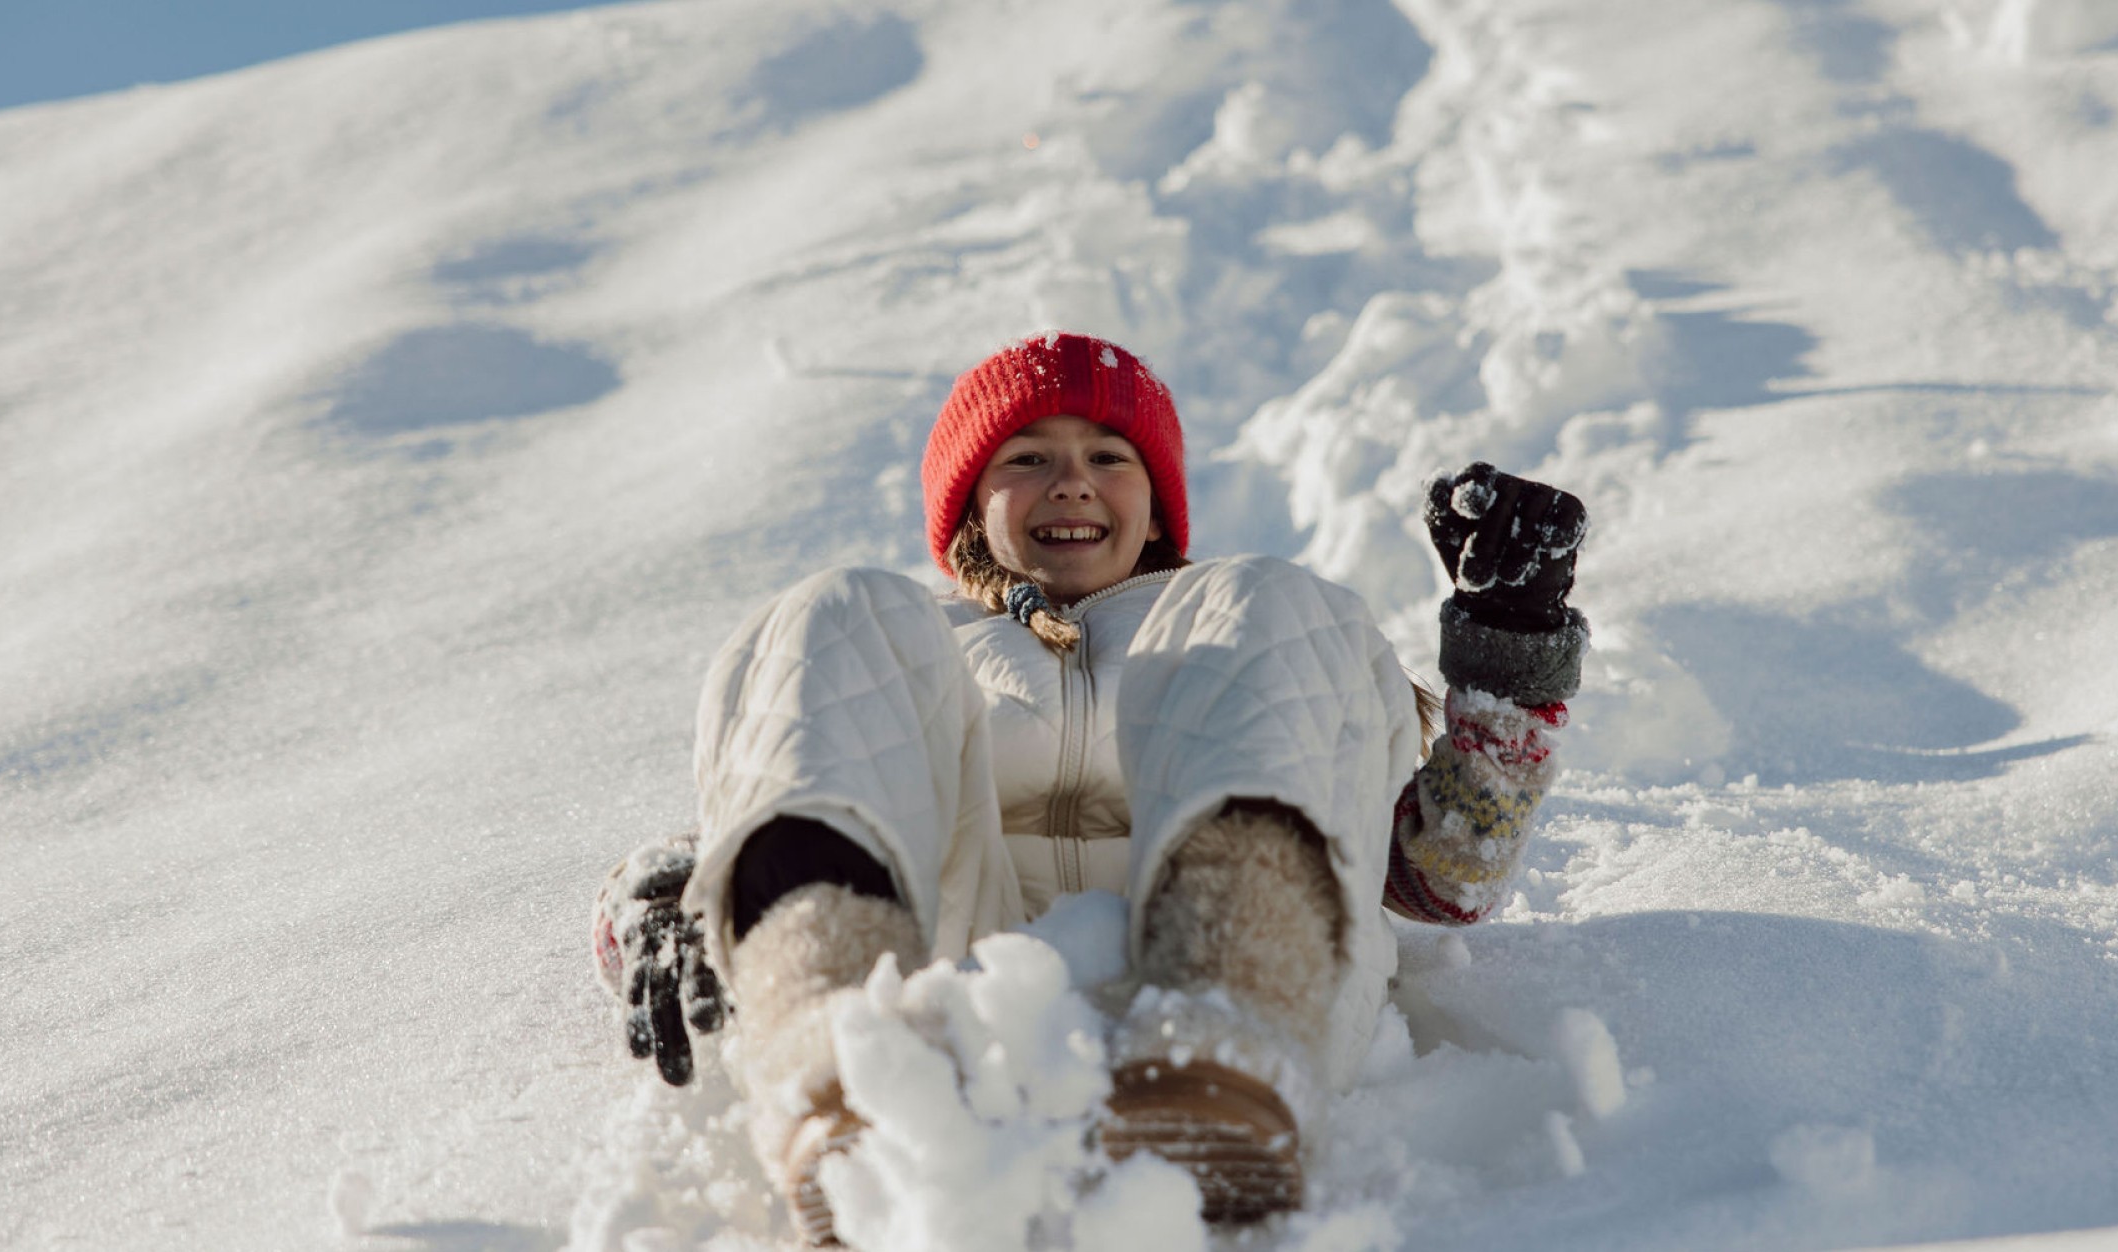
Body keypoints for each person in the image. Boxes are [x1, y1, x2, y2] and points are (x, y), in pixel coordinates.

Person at [592, 332, 1589, 1242]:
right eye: (1027, 458)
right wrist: (671, 892)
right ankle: (843, 1072)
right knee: (835, 606)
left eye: (1110, 457)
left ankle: (1221, 1055)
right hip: (940, 1005)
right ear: (968, 509)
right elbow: (788, 779)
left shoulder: (1243, 638)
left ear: (1154, 502)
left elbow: (1447, 876)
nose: (1072, 482)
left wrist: (1510, 657)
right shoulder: (912, 652)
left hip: (1234, 1010)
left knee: (1276, 593)